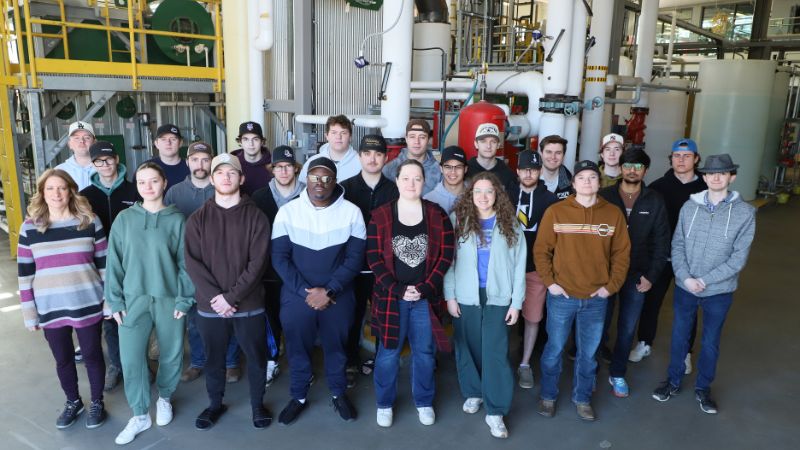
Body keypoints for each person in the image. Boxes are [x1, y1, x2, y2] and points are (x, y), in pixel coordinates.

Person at [652, 153, 756, 415]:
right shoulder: (690, 207)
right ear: (705, 177)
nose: (716, 178)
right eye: (710, 173)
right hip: (686, 287)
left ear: (732, 177)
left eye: (722, 173)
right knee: (679, 337)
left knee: (710, 342)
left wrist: (705, 280)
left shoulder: (745, 213)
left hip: (719, 291)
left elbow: (738, 258)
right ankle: (673, 381)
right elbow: (677, 245)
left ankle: (703, 388)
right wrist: (686, 277)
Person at [104, 162, 195, 445]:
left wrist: (184, 297)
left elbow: (186, 263)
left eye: (154, 180)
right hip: (133, 299)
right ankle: (140, 413)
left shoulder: (177, 220)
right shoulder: (124, 219)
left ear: (164, 183)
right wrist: (114, 299)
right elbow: (113, 262)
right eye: (142, 182)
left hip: (169, 297)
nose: (148, 187)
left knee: (171, 352)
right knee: (131, 358)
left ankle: (164, 397)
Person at [271, 157, 366, 425]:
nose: (320, 183)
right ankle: (298, 396)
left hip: (338, 296)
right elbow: (279, 258)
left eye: (326, 178)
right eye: (314, 177)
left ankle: (338, 393)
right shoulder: (288, 212)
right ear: (306, 179)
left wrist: (329, 291)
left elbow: (355, 259)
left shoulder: (351, 212)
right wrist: (306, 293)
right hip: (296, 295)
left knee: (337, 348)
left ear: (335, 181)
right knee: (297, 348)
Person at [533, 160, 630, 422]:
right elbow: (541, 251)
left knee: (588, 354)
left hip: (596, 299)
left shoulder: (613, 214)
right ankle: (548, 396)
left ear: (600, 182)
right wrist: (551, 283)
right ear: (573, 183)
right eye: (582, 178)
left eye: (592, 177)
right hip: (562, 296)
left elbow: (622, 255)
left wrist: (610, 287)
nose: (587, 182)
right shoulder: (556, 212)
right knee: (554, 349)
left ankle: (583, 398)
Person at [184, 153, 272, 430]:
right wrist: (218, 298)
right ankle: (214, 404)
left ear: (241, 178)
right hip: (211, 306)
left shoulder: (256, 217)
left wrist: (231, 298)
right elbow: (192, 263)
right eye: (220, 173)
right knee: (214, 359)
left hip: (249, 304)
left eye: (231, 172)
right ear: (212, 179)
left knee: (256, 358)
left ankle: (257, 404)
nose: (226, 177)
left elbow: (258, 262)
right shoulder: (197, 219)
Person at [17, 169, 108, 429]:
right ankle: (73, 402)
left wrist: (109, 301)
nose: (56, 193)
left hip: (87, 302)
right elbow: (25, 273)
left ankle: (97, 402)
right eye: (50, 188)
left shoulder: (89, 221)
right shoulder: (30, 227)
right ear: (42, 193)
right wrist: (29, 313)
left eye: (62, 188)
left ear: (70, 191)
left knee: (92, 355)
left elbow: (105, 266)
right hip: (50, 306)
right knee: (63, 359)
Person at [368, 159, 454, 428]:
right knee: (387, 353)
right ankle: (384, 403)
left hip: (425, 299)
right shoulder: (381, 215)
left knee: (425, 353)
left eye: (417, 178)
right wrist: (398, 289)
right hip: (391, 298)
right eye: (406, 178)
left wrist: (426, 287)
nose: (411, 183)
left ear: (424, 182)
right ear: (397, 181)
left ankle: (424, 401)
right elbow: (373, 259)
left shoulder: (437, 214)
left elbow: (446, 255)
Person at [444, 172, 525, 439]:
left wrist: (516, 302)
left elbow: (519, 266)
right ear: (470, 195)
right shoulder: (458, 221)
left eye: (489, 191)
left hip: (498, 296)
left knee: (495, 351)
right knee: (467, 346)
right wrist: (450, 295)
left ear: (497, 194)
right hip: (465, 294)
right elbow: (449, 262)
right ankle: (474, 392)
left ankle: (496, 410)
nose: (483, 196)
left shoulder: (510, 223)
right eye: (477, 191)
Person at [164, 142, 244, 384]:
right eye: (195, 159)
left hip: (224, 262)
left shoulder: (222, 187)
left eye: (205, 159)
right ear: (187, 162)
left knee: (228, 314)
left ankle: (231, 362)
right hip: (189, 264)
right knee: (195, 318)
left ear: (212, 163)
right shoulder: (174, 193)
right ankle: (198, 361)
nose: (200, 164)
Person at [630, 138, 708, 372]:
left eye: (686, 156)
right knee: (651, 302)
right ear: (671, 159)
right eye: (676, 156)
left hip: (692, 260)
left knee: (688, 308)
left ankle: (685, 353)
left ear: (696, 159)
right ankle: (644, 342)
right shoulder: (658, 187)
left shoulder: (706, 189)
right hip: (661, 257)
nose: (681, 160)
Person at [598, 148, 670, 398]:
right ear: (620, 168)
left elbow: (661, 242)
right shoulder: (604, 196)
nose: (632, 170)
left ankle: (618, 372)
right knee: (599, 323)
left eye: (638, 167)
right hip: (605, 274)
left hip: (637, 275)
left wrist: (651, 276)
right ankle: (591, 368)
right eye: (628, 165)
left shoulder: (654, 200)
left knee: (627, 328)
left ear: (645, 171)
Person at [80, 141, 139, 392]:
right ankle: (116, 365)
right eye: (98, 161)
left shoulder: (134, 190)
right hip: (101, 264)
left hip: (133, 263)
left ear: (116, 159)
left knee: (136, 315)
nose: (104, 165)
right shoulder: (84, 196)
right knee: (111, 317)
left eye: (108, 159)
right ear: (93, 164)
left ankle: (137, 364)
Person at [340, 135, 399, 388]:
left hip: (384, 268)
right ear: (360, 156)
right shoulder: (344, 189)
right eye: (367, 153)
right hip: (353, 267)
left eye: (378, 154)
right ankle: (350, 361)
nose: (372, 159)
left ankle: (381, 361)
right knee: (351, 317)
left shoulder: (395, 190)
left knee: (383, 318)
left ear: (386, 158)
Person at [252, 145, 306, 387]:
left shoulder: (307, 195)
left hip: (300, 269)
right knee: (271, 318)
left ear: (296, 168)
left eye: (288, 166)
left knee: (297, 322)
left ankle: (301, 365)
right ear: (272, 169)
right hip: (269, 271)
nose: (283, 171)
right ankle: (271, 361)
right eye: (278, 167)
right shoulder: (259, 197)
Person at [507, 150, 557, 389]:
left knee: (533, 318)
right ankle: (500, 361)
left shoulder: (551, 200)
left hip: (535, 270)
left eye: (534, 170)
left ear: (540, 171)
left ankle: (525, 363)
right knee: (501, 317)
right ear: (517, 171)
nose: (529, 173)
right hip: (506, 270)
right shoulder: (505, 195)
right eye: (525, 169)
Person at [382, 119, 442, 195]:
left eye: (422, 137)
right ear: (406, 139)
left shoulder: (439, 170)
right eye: (412, 137)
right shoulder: (389, 169)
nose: (417, 141)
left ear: (428, 140)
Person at [300, 115, 361, 182]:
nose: (338, 137)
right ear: (326, 136)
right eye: (334, 133)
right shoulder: (312, 162)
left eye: (343, 133)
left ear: (350, 137)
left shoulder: (361, 163)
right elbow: (303, 186)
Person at [465, 123, 516, 192]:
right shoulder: (465, 171)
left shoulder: (507, 174)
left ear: (498, 145)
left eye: (493, 142)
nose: (488, 146)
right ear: (476, 144)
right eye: (483, 141)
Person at [232, 121, 272, 196]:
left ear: (262, 142)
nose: (251, 144)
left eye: (255, 139)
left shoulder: (273, 164)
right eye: (246, 139)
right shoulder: (233, 164)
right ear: (240, 142)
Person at [424, 145, 468, 214]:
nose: (453, 172)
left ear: (465, 169)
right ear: (441, 168)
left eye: (458, 167)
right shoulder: (429, 200)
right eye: (448, 167)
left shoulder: (477, 197)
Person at [146, 124, 190, 191]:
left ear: (180, 143)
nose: (168, 143)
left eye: (173, 139)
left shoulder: (191, 167)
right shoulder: (146, 168)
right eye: (163, 139)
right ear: (156, 144)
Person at [56, 121, 97, 190]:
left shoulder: (106, 168)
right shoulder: (59, 171)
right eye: (76, 138)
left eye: (87, 137)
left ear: (94, 142)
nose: (82, 141)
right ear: (69, 144)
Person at [538, 135, 573, 200]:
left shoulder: (571, 182)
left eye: (558, 153)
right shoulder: (528, 178)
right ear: (541, 153)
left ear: (563, 155)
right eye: (549, 152)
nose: (553, 157)